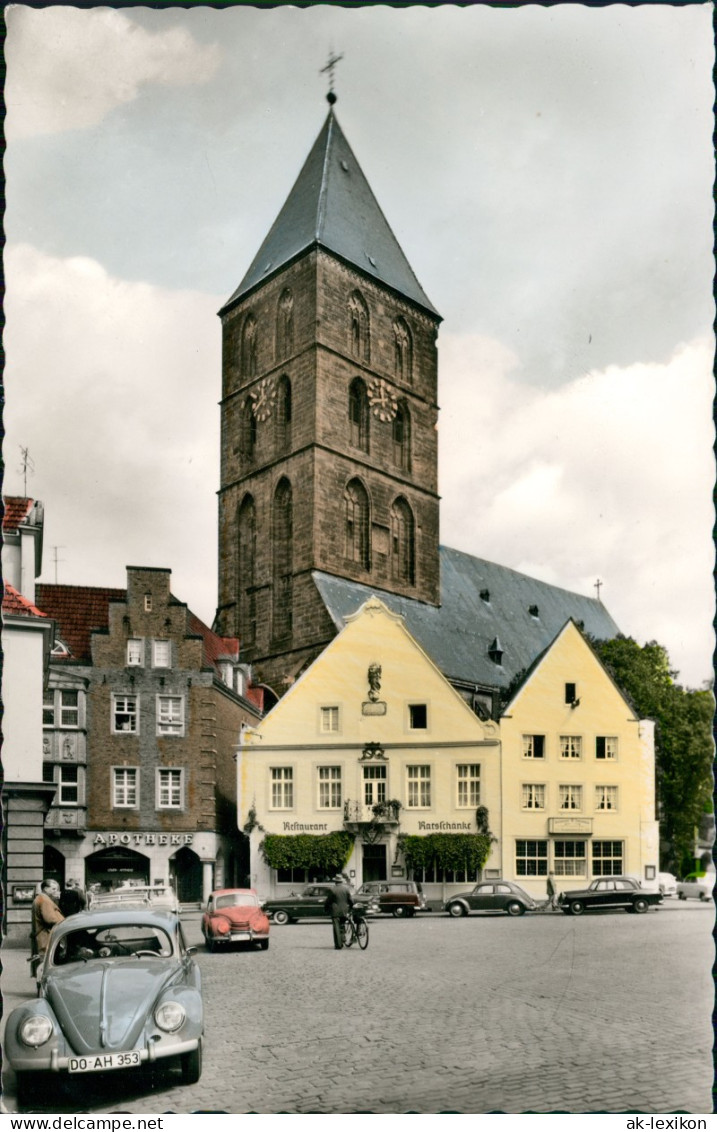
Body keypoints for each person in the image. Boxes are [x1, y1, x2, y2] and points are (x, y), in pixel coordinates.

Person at [30, 879, 65, 977]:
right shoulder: (45, 900)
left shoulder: (40, 898)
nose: (55, 891)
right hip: (45, 935)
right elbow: (50, 919)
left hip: (42, 935)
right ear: (45, 889)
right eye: (53, 889)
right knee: (45, 962)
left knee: (42, 962)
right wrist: (63, 922)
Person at [324, 874, 354, 950]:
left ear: (335, 882)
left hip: (335, 911)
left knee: (336, 928)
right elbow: (350, 900)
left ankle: (338, 945)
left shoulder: (332, 890)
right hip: (344, 910)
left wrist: (326, 908)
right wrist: (351, 906)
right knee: (342, 925)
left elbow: (328, 901)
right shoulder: (346, 889)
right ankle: (343, 939)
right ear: (341, 881)